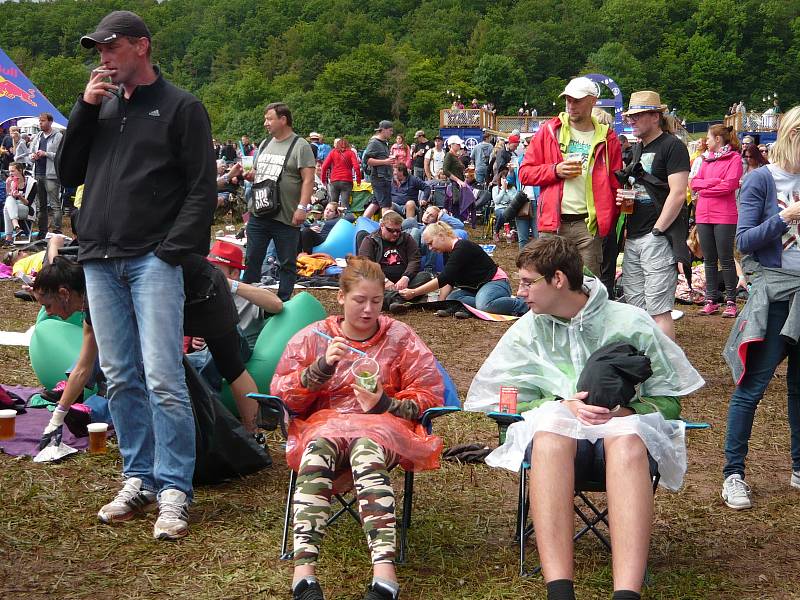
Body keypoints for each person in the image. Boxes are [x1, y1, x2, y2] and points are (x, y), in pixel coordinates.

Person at [465, 236, 704, 600]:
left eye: (529, 282)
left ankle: (626, 593)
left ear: (557, 279)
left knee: (625, 443)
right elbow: (504, 401)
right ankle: (560, 592)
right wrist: (560, 404)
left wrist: (626, 411)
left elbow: (670, 403)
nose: (520, 291)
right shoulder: (528, 330)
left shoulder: (630, 323)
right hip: (559, 448)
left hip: (623, 447)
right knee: (549, 439)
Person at [56, 10, 217, 540]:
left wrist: (172, 251)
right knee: (121, 374)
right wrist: (84, 108)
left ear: (141, 47)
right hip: (99, 257)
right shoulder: (99, 109)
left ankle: (174, 488)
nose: (103, 57)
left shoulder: (181, 108)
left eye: (112, 47)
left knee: (163, 376)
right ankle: (139, 476)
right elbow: (69, 171)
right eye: (98, 49)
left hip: (152, 258)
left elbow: (201, 188)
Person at [272, 256, 444, 600]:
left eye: (376, 302)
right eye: (359, 301)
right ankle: (303, 573)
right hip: (326, 426)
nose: (368, 310)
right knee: (318, 450)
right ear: (340, 297)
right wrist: (320, 369)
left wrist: (385, 404)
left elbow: (429, 394)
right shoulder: (315, 337)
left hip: (383, 428)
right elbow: (282, 396)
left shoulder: (399, 336)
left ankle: (384, 574)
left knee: (366, 449)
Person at [720, 105, 800, 511]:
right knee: (752, 388)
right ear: (792, 137)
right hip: (775, 298)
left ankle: (799, 468)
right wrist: (785, 217)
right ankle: (733, 474)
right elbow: (745, 240)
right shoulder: (760, 181)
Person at [518, 76, 622, 277]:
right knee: (548, 284)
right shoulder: (549, 131)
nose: (571, 105)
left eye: (577, 100)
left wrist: (607, 220)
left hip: (588, 228)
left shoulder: (608, 138)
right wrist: (555, 171)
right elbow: (525, 173)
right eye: (568, 100)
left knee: (587, 288)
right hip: (553, 225)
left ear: (592, 101)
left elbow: (614, 183)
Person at [616, 91, 690, 341]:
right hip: (634, 236)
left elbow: (679, 194)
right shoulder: (638, 149)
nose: (632, 121)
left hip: (657, 237)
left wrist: (657, 231)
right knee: (636, 309)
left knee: (659, 311)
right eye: (630, 116)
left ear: (655, 116)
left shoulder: (673, 146)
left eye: (637, 116)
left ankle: (666, 371)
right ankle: (643, 364)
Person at [242, 102, 316, 301]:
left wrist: (302, 207)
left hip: (287, 216)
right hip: (259, 213)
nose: (265, 123)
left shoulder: (300, 146)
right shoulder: (265, 143)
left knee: (287, 263)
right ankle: (248, 303)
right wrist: (250, 176)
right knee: (252, 259)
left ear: (283, 120)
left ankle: (283, 303)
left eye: (269, 119)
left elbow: (308, 179)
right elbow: (259, 173)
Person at [398, 221, 528, 317]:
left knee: (485, 305)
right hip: (476, 289)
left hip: (495, 282)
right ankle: (474, 307)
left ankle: (523, 305)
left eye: (430, 243)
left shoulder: (462, 247)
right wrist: (443, 302)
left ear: (442, 236)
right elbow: (450, 280)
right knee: (452, 300)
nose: (430, 248)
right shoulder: (447, 252)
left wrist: (414, 292)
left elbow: (443, 278)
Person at [690, 124, 743, 318]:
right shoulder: (706, 159)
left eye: (709, 138)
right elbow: (694, 182)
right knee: (709, 259)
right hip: (703, 214)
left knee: (726, 258)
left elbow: (729, 185)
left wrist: (704, 188)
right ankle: (710, 300)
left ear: (718, 139)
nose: (706, 141)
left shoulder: (734, 158)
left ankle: (731, 301)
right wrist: (712, 184)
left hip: (724, 216)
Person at [357, 211, 430, 311]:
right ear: (382, 225)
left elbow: (415, 259)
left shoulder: (406, 238)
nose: (395, 234)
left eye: (398, 230)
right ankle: (401, 299)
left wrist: (406, 277)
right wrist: (384, 280)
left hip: (404, 283)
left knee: (425, 276)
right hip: (380, 283)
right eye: (391, 230)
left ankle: (395, 300)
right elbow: (366, 264)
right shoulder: (370, 240)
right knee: (367, 286)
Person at [28, 113, 63, 236]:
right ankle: (43, 232)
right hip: (37, 173)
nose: (40, 123)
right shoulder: (38, 136)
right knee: (40, 205)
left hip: (51, 175)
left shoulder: (58, 136)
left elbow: (61, 156)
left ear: (50, 122)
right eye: (39, 121)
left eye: (42, 121)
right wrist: (32, 156)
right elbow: (30, 153)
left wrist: (46, 154)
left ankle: (57, 232)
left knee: (55, 205)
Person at [362, 120, 396, 219]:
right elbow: (367, 160)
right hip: (379, 178)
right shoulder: (374, 143)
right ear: (383, 130)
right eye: (390, 130)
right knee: (386, 205)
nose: (391, 133)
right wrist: (385, 162)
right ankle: (387, 228)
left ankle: (362, 223)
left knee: (375, 203)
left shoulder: (384, 143)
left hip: (384, 177)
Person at [320, 137, 361, 209]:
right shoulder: (351, 153)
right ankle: (344, 218)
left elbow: (324, 166)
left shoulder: (332, 152)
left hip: (334, 180)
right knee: (345, 204)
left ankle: (331, 218)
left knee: (333, 203)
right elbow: (357, 167)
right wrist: (358, 180)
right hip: (347, 180)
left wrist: (323, 179)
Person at [3, 163, 29, 247]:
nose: (10, 173)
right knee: (9, 201)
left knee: (7, 206)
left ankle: (9, 238)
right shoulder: (10, 181)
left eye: (12, 171)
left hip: (26, 207)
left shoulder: (30, 182)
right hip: (13, 209)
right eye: (9, 171)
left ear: (20, 170)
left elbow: (28, 203)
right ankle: (16, 227)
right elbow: (8, 196)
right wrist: (8, 187)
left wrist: (20, 196)